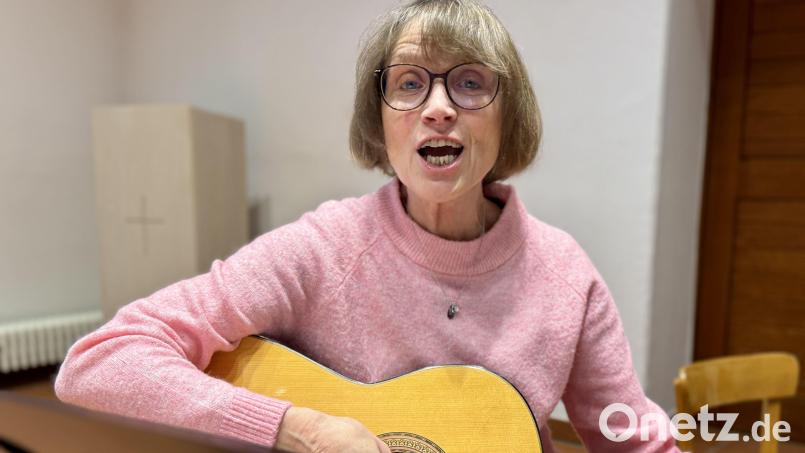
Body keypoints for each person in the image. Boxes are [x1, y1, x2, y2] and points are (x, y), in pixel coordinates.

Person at [56, 1, 680, 452]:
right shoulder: (323, 249)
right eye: (409, 84)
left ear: (506, 116)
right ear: (379, 121)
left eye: (469, 83)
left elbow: (634, 438)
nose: (438, 108)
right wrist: (297, 428)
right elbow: (101, 360)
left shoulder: (565, 274)